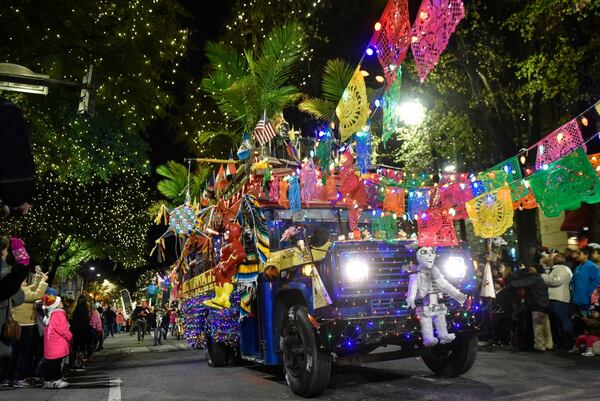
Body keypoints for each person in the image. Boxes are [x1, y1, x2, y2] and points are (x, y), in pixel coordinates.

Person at [8, 267, 48, 388]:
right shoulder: (19, 291)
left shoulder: (21, 289)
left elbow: (33, 288)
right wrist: (43, 281)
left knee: (16, 353)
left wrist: (38, 276)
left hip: (22, 324)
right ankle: (19, 378)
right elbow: (36, 295)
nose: (25, 278)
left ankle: (10, 378)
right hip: (23, 325)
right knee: (23, 353)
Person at [506, 265, 552, 352]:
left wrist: (509, 285)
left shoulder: (535, 278)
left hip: (538, 306)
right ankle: (549, 344)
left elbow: (521, 282)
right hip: (544, 305)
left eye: (532, 268)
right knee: (546, 327)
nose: (530, 269)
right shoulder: (539, 278)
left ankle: (540, 345)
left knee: (538, 327)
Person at [542, 253, 574, 348]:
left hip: (560, 299)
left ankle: (568, 341)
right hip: (555, 299)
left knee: (563, 320)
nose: (553, 257)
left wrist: (543, 276)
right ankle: (562, 341)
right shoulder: (556, 268)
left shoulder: (562, 268)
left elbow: (556, 280)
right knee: (558, 322)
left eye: (556, 256)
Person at [42, 288, 71, 389]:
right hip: (57, 343)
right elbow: (62, 329)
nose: (62, 303)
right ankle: (57, 381)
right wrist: (70, 336)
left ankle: (47, 381)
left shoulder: (50, 314)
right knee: (56, 364)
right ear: (56, 304)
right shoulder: (59, 314)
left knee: (50, 364)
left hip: (51, 344)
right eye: (60, 302)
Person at [571, 246, 600, 316]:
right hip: (578, 301)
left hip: (588, 303)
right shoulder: (578, 267)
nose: (576, 255)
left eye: (579, 253)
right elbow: (573, 281)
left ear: (586, 255)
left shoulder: (592, 266)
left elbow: (597, 283)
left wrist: (588, 294)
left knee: (590, 324)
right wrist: (574, 295)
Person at [70, 295, 90, 371]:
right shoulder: (84, 310)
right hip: (82, 331)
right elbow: (86, 321)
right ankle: (79, 363)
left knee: (75, 347)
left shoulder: (75, 310)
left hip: (75, 332)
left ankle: (74, 363)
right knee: (81, 348)